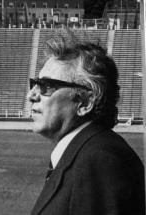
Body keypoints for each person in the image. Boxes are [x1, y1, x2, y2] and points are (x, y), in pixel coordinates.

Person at [27, 29, 145, 215]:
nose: (31, 95)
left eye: (46, 85)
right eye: (34, 83)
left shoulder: (100, 161)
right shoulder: (86, 152)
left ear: (85, 102)